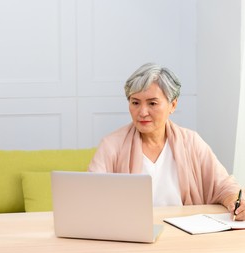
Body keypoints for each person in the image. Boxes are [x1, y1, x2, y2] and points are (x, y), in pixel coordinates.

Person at [88, 62, 244, 220]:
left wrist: (235, 202)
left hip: (184, 233)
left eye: (152, 103)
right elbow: (89, 196)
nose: (142, 112)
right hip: (130, 232)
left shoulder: (191, 142)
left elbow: (224, 185)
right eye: (135, 102)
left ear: (173, 105)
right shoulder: (111, 145)